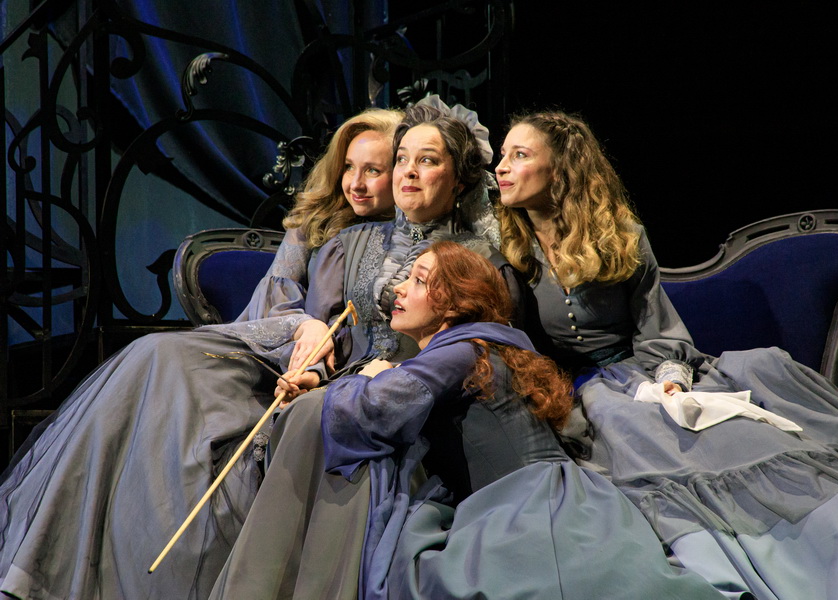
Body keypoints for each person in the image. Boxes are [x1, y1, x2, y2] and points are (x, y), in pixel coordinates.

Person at [494, 111, 838, 599]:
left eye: (520, 155)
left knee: (737, 438)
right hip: (582, 392)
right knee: (631, 434)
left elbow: (658, 331)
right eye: (502, 155)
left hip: (645, 373)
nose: (502, 166)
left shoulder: (620, 235)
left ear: (560, 170)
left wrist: (670, 380)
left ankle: (831, 549)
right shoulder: (507, 249)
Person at [0, 107, 402, 600]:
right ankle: (52, 560)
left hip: (331, 375)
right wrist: (304, 325)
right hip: (265, 350)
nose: (356, 183)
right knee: (155, 355)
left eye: (373, 170)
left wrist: (321, 360)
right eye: (349, 168)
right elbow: (275, 296)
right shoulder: (314, 223)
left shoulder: (411, 239)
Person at [207, 97, 529, 599]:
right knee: (295, 411)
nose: (409, 172)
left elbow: (474, 356)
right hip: (345, 386)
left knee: (332, 430)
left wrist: (382, 384)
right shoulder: (351, 243)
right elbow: (331, 336)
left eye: (427, 160)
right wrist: (314, 372)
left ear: (460, 180)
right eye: (402, 159)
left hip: (421, 407)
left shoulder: (481, 262)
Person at [321, 240, 729, 600]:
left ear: (456, 301)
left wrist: (362, 378)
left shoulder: (458, 353)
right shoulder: (484, 346)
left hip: (523, 513)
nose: (398, 288)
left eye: (419, 280)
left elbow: (368, 412)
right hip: (565, 499)